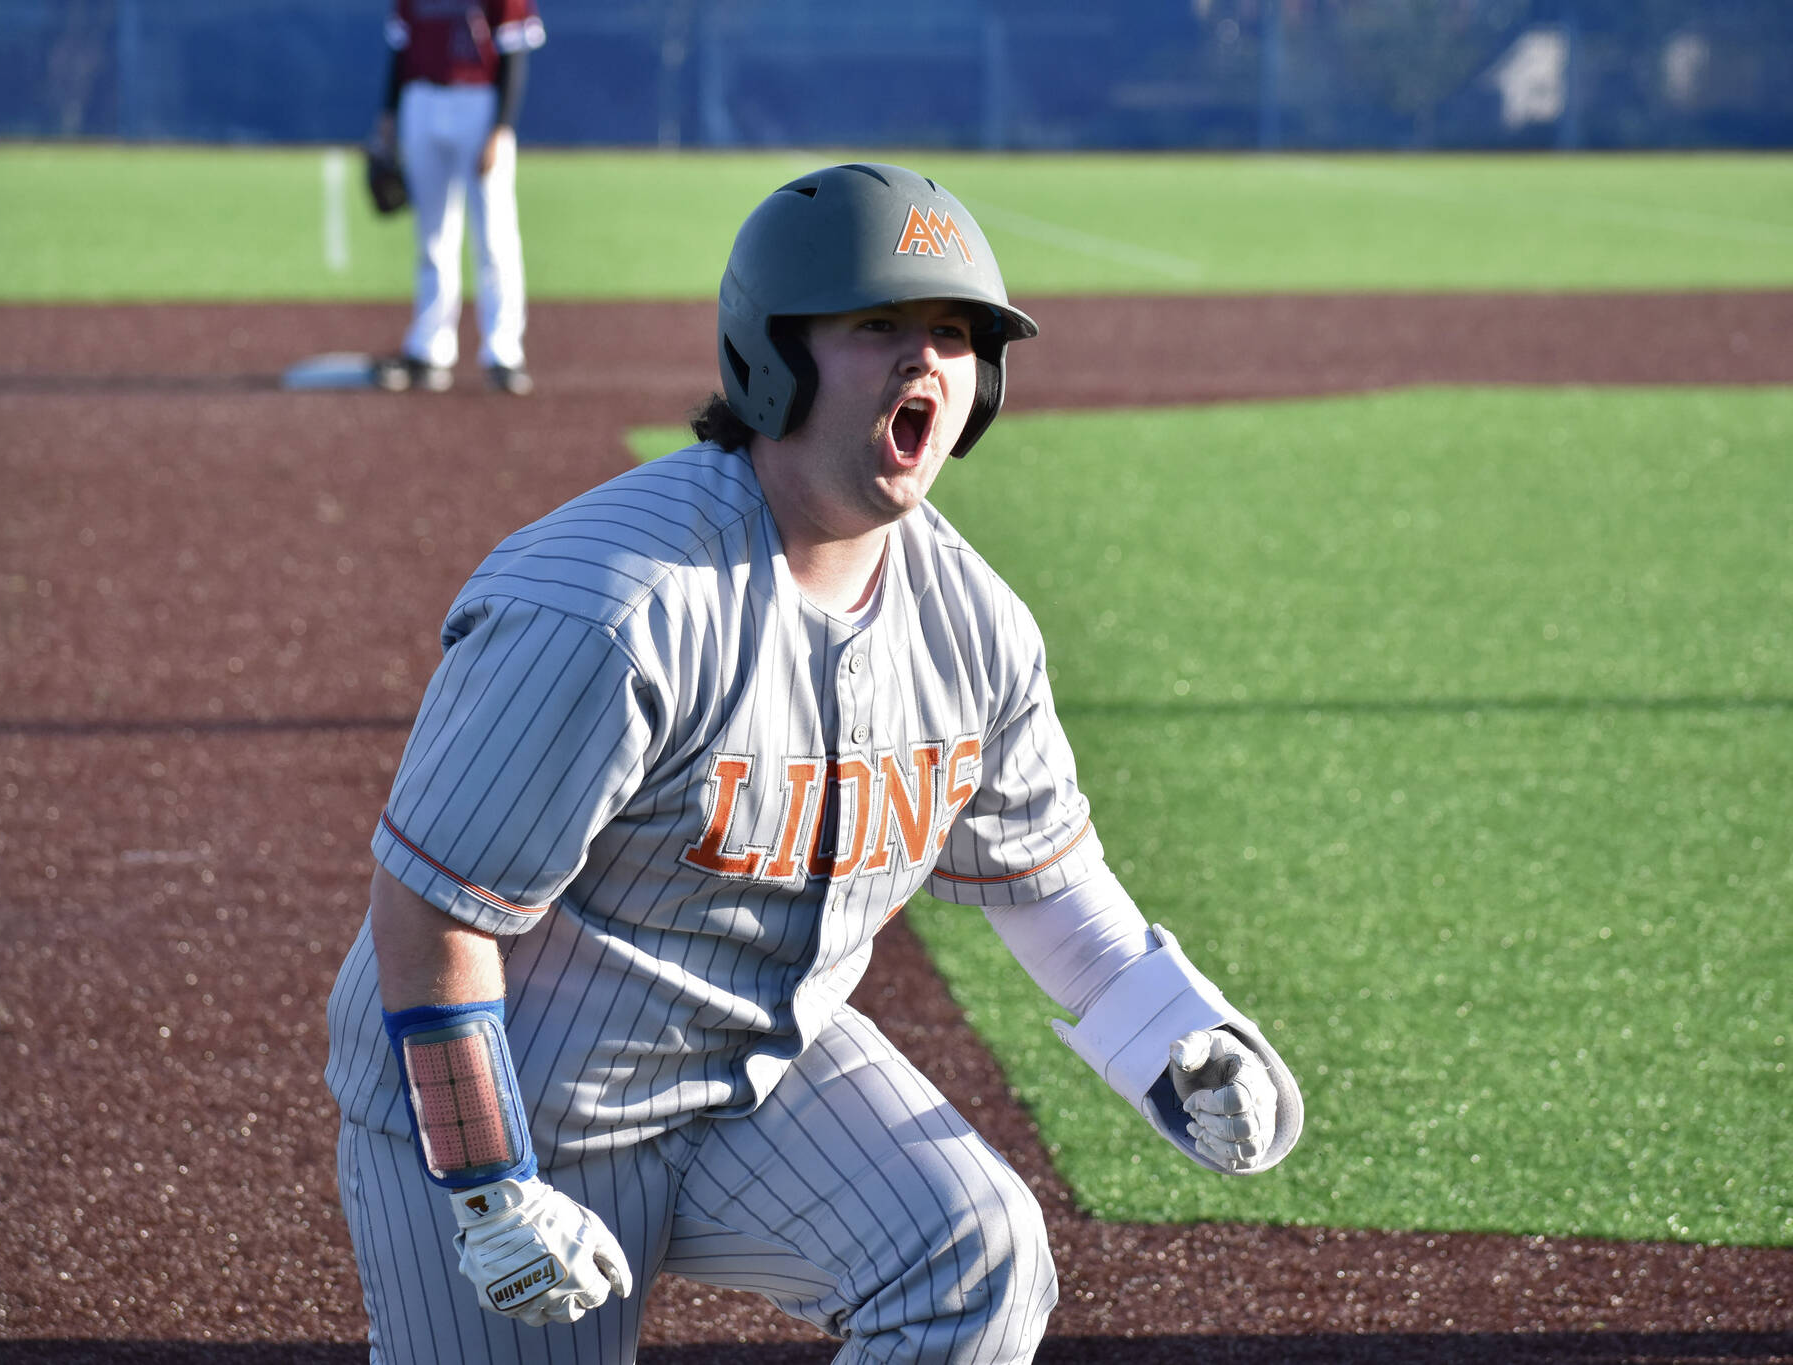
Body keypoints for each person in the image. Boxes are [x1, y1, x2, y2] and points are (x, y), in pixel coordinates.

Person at [324, 162, 1304, 1364]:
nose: (924, 359)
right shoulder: (613, 610)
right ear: (771, 360)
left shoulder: (974, 624)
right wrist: (487, 1183)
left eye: (954, 335)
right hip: (521, 1098)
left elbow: (1041, 878)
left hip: (758, 1077)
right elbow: (430, 912)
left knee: (974, 1256)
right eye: (877, 325)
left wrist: (1176, 1038)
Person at [369, 0, 544, 395]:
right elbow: (402, 49)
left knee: (495, 235)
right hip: (422, 98)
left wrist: (501, 127)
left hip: (478, 99)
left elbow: (514, 51)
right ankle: (429, 348)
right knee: (432, 236)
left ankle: (503, 352)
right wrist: (389, 116)